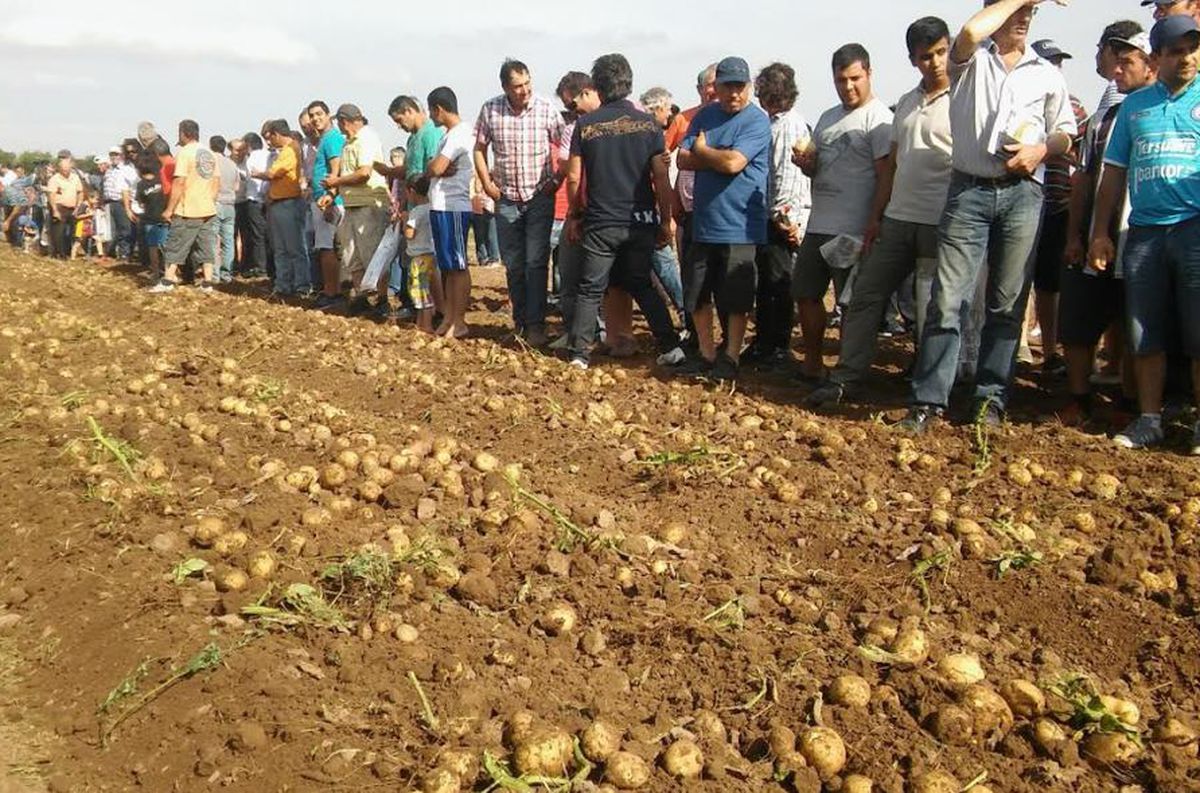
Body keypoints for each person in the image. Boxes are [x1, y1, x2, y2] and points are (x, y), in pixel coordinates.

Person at [897, 0, 1078, 433]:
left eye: (1028, 13)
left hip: (1022, 195)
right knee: (947, 300)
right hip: (969, 190)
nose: (1022, 18)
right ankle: (927, 401)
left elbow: (1065, 133)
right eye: (1014, 10)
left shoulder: (1047, 73)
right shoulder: (969, 62)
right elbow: (971, 33)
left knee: (1007, 303)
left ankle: (990, 401)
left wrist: (1040, 150)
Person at [807, 18, 955, 407]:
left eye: (941, 53)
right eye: (925, 56)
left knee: (936, 307)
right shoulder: (906, 104)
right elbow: (890, 168)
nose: (935, 63)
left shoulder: (965, 99)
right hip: (898, 218)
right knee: (864, 297)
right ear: (912, 60)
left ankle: (931, 391)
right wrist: (877, 218)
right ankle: (847, 377)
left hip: (943, 221)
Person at [1089, 15, 1200, 452]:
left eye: (1193, 48)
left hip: (1195, 229)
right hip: (1145, 234)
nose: (1187, 57)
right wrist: (1100, 233)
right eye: (1175, 51)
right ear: (1156, 58)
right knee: (1144, 330)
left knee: (1198, 333)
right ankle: (1149, 419)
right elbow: (1112, 174)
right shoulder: (1134, 107)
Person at [563, 53, 684, 370]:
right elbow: (660, 176)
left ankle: (579, 354)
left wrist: (576, 215)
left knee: (590, 289)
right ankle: (670, 346)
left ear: (597, 89)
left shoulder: (585, 126)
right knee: (642, 283)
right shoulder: (648, 124)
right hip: (639, 221)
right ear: (629, 83)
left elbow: (574, 177)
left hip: (601, 222)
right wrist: (665, 219)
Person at [1059, 29, 1154, 427]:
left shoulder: (1160, 113)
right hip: (1099, 237)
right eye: (1115, 61)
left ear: (1151, 64)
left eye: (1127, 62)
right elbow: (1083, 181)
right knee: (1078, 320)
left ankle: (1134, 406)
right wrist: (1075, 235)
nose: (1117, 70)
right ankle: (1080, 400)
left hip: (1143, 237)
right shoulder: (1101, 120)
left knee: (1138, 327)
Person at [792, 44, 894, 381]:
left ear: (869, 73)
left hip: (853, 228)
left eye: (855, 78)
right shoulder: (827, 117)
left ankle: (849, 371)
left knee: (851, 304)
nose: (848, 87)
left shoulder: (879, 119)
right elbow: (818, 166)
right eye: (840, 80)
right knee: (806, 293)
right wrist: (807, 165)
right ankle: (813, 362)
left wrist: (875, 220)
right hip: (820, 222)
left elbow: (885, 175)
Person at [675, 56, 772, 381]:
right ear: (715, 88)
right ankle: (706, 353)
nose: (734, 94)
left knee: (736, 296)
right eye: (727, 86)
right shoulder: (706, 115)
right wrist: (713, 157)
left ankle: (730, 356)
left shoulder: (756, 121)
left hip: (740, 226)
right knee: (699, 292)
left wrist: (705, 152)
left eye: (740, 87)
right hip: (704, 222)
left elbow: (733, 164)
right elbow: (682, 159)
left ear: (749, 87)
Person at [473, 59, 567, 346]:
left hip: (539, 195)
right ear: (505, 87)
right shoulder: (490, 109)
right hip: (506, 197)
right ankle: (521, 323)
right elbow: (479, 147)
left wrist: (556, 181)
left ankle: (536, 325)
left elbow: (565, 148)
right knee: (513, 264)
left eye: (527, 83)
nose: (524, 90)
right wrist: (487, 183)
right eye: (517, 86)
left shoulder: (547, 108)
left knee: (536, 263)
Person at [1028, 39, 1089, 377]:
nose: (1056, 69)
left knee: (1055, 281)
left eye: (1059, 63)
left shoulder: (1076, 108)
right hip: (1030, 200)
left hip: (1061, 204)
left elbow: (1082, 159)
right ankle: (1035, 349)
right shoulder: (1024, 103)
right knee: (1028, 283)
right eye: (1050, 62)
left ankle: (1056, 351)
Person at [744, 62, 812, 370]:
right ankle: (765, 341)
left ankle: (777, 345)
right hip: (770, 217)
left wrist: (783, 218)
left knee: (778, 283)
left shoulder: (788, 126)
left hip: (779, 218)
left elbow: (786, 175)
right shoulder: (775, 124)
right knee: (767, 284)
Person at [323, 103, 390, 316]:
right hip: (352, 204)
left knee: (371, 254)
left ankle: (382, 299)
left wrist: (336, 181)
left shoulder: (367, 138)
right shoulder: (348, 142)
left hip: (368, 204)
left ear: (344, 121)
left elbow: (364, 173)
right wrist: (332, 193)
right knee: (352, 255)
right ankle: (362, 298)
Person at [426, 86, 477, 338]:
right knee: (448, 266)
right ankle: (448, 317)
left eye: (431, 111)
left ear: (439, 109)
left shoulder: (460, 134)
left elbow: (437, 167)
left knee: (458, 265)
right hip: (441, 205)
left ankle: (459, 320)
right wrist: (433, 168)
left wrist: (432, 168)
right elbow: (435, 168)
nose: (431, 117)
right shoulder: (449, 135)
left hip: (453, 206)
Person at [154, 119, 219, 293]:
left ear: (183, 133)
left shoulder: (185, 153)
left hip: (188, 208)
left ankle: (167, 280)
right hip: (208, 208)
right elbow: (216, 181)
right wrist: (210, 200)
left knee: (176, 244)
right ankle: (207, 282)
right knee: (206, 246)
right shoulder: (209, 153)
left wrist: (169, 209)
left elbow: (179, 182)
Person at [259, 120, 309, 297]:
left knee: (293, 248)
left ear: (276, 134)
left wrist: (257, 174)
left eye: (270, 138)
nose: (270, 143)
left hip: (288, 203)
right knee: (281, 248)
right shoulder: (288, 150)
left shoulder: (290, 150)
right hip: (279, 202)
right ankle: (284, 285)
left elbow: (273, 173)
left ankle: (300, 285)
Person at [306, 101, 346, 310]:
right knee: (325, 247)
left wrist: (330, 196)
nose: (315, 118)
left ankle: (332, 293)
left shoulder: (331, 139)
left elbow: (336, 170)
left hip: (328, 202)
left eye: (319, 114)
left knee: (326, 247)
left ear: (328, 115)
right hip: (322, 199)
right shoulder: (324, 139)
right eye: (312, 115)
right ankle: (332, 290)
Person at [404, 174, 436, 334]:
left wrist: (404, 221)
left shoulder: (416, 212)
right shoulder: (432, 208)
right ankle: (421, 322)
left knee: (420, 290)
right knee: (425, 288)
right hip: (430, 254)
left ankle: (426, 325)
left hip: (419, 258)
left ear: (411, 191)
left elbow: (410, 234)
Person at [209, 136, 240, 284]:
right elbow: (237, 186)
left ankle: (214, 275)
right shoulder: (232, 164)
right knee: (228, 241)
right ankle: (226, 274)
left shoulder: (210, 163)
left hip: (216, 203)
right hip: (230, 204)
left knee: (214, 240)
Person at [133, 154, 168, 282]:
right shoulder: (161, 180)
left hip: (150, 219)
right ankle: (168, 272)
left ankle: (156, 272)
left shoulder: (141, 185)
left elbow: (141, 203)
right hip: (164, 217)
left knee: (153, 247)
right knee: (165, 246)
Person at [240, 132, 271, 277]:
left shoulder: (251, 158)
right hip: (268, 199)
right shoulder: (268, 155)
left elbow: (247, 177)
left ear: (248, 145)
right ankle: (268, 266)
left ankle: (260, 267)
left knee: (257, 235)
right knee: (267, 234)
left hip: (254, 200)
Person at [46, 155, 85, 259]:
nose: (66, 171)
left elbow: (80, 192)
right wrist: (54, 210)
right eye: (63, 169)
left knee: (71, 232)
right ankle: (59, 254)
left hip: (72, 208)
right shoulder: (54, 179)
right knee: (58, 232)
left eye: (68, 169)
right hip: (59, 207)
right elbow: (51, 196)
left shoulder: (75, 178)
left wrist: (78, 206)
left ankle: (67, 252)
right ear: (60, 169)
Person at [101, 146, 136, 260]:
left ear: (122, 155)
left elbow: (134, 185)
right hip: (109, 203)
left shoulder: (127, 169)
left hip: (121, 202)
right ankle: (112, 253)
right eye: (112, 154)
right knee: (111, 230)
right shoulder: (109, 170)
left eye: (116, 154)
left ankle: (125, 254)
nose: (114, 157)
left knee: (125, 229)